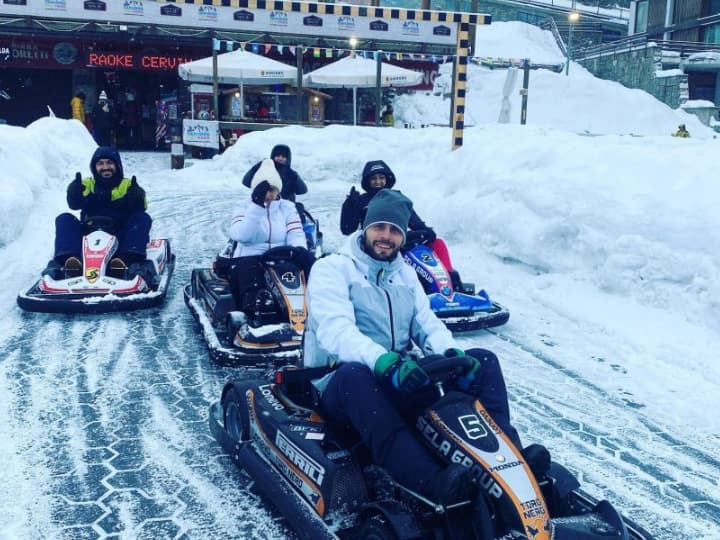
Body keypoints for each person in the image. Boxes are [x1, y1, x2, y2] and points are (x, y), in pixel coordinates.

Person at [304, 189, 544, 504]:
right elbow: (336, 330)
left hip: (397, 372)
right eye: (380, 227)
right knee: (355, 377)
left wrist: (451, 354)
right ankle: (429, 482)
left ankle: (509, 461)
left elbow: (426, 323)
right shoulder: (333, 269)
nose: (386, 237)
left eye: (395, 231)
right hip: (337, 381)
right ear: (365, 227)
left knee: (483, 360)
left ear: (403, 237)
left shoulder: (403, 273)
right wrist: (382, 361)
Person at [340, 160, 464, 290]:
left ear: (387, 179)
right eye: (374, 178)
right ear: (367, 181)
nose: (378, 182)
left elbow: (417, 224)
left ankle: (448, 281)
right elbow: (347, 229)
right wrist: (349, 206)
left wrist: (426, 232)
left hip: (399, 240)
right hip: (375, 244)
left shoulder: (398, 199)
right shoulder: (361, 201)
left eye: (381, 178)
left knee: (438, 244)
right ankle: (415, 287)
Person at [45, 147, 152, 281]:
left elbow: (142, 206)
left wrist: (136, 198)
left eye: (109, 163)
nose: (105, 167)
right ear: (94, 167)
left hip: (120, 233)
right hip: (89, 231)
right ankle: (71, 261)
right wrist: (73, 192)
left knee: (142, 218)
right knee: (64, 219)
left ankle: (124, 262)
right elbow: (74, 203)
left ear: (117, 166)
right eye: (100, 163)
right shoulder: (88, 184)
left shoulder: (128, 185)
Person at [228, 159, 315, 311]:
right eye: (264, 190)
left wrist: (297, 251)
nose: (269, 195)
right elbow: (242, 235)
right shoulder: (243, 207)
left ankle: (316, 301)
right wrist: (256, 208)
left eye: (272, 190)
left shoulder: (287, 207)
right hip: (249, 258)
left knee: (307, 262)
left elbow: (296, 234)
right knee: (249, 271)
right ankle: (256, 309)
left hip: (281, 258)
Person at [242, 144, 308, 203]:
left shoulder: (290, 173)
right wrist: (256, 168)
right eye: (278, 155)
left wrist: (296, 178)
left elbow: (302, 190)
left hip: (286, 208)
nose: (280, 158)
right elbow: (246, 182)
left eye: (283, 156)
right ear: (273, 156)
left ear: (288, 158)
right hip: (265, 205)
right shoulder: (264, 169)